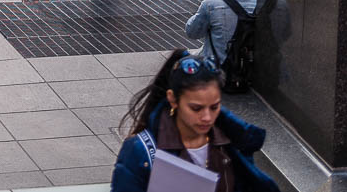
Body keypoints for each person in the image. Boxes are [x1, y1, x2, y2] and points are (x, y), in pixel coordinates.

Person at [110, 50, 278, 192]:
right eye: (196, 109)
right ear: (173, 99)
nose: (207, 117)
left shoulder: (231, 140)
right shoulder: (141, 151)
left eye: (214, 107)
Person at [185, 0, 262, 65]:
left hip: (217, 69)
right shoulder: (262, 5)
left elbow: (192, 32)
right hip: (251, 68)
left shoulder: (212, 3)